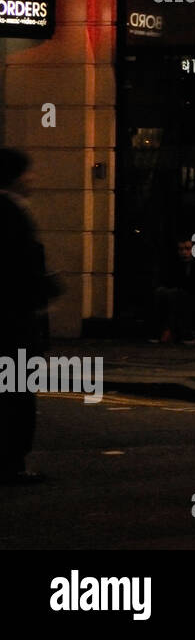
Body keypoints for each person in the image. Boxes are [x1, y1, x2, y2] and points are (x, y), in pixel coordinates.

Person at [0, 149, 55, 484]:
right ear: (15, 177)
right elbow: (20, 270)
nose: (33, 179)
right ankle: (12, 462)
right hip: (12, 325)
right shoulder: (10, 213)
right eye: (28, 173)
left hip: (12, 321)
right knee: (15, 393)